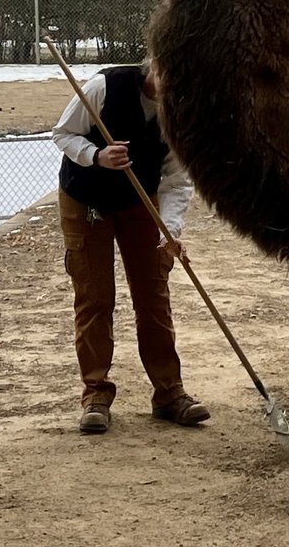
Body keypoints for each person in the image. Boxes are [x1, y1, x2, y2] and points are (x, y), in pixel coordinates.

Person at [52, 60, 210, 433]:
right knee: (95, 296)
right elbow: (63, 134)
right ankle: (95, 395)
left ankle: (170, 394)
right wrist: (97, 157)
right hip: (85, 199)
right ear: (153, 63)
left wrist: (169, 232)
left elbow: (176, 178)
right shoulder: (103, 88)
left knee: (153, 294)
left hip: (141, 200)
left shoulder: (180, 113)